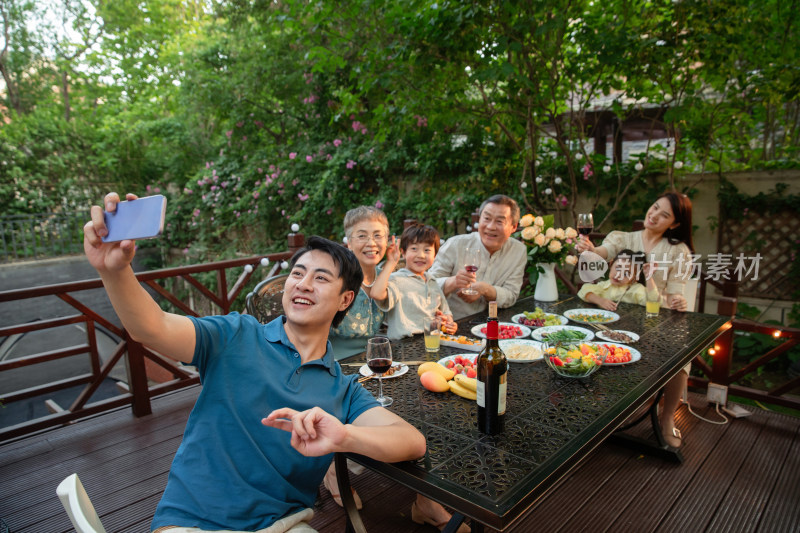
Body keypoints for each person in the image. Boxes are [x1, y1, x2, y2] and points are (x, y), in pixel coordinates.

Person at [84, 193, 426, 533]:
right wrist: (115, 272)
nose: (303, 284)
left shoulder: (343, 389)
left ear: (345, 299)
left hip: (283, 525)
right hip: (195, 524)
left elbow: (410, 441)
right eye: (297, 273)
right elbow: (150, 327)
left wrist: (345, 437)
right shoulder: (235, 335)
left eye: (321, 278)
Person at [325, 208, 470, 533]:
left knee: (432, 400)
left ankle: (424, 497)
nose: (370, 242)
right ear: (347, 240)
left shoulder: (387, 275)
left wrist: (438, 316)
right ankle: (339, 466)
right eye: (361, 235)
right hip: (338, 368)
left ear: (388, 240)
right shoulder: (333, 274)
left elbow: (420, 293)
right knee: (410, 408)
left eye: (377, 235)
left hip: (383, 364)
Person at [575, 191, 694, 448]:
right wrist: (590, 249)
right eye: (654, 207)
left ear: (674, 224)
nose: (654, 215)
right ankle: (605, 409)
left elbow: (675, 295)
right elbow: (601, 252)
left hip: (654, 320)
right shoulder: (623, 237)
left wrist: (678, 302)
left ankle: (666, 418)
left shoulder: (679, 251)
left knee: (680, 357)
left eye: (664, 215)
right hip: (614, 320)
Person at [428, 194, 528, 320]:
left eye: (499, 221)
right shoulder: (455, 245)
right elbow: (428, 287)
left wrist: (486, 290)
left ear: (513, 227)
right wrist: (453, 282)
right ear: (479, 220)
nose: (491, 227)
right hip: (450, 323)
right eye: (486, 218)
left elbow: (511, 295)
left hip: (490, 324)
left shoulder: (518, 251)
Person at [372, 224, 457, 339]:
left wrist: (449, 324)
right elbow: (376, 294)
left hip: (432, 341)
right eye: (414, 249)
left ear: (435, 255)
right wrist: (391, 263)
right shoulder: (396, 279)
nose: (421, 255)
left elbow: (446, 312)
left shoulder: (432, 281)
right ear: (403, 252)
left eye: (427, 250)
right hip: (404, 346)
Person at [578, 249, 659, 311]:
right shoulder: (604, 286)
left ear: (634, 278)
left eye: (626, 274)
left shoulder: (636, 290)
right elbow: (584, 291)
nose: (619, 275)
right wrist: (600, 300)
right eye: (618, 268)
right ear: (611, 264)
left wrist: (648, 277)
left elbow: (653, 302)